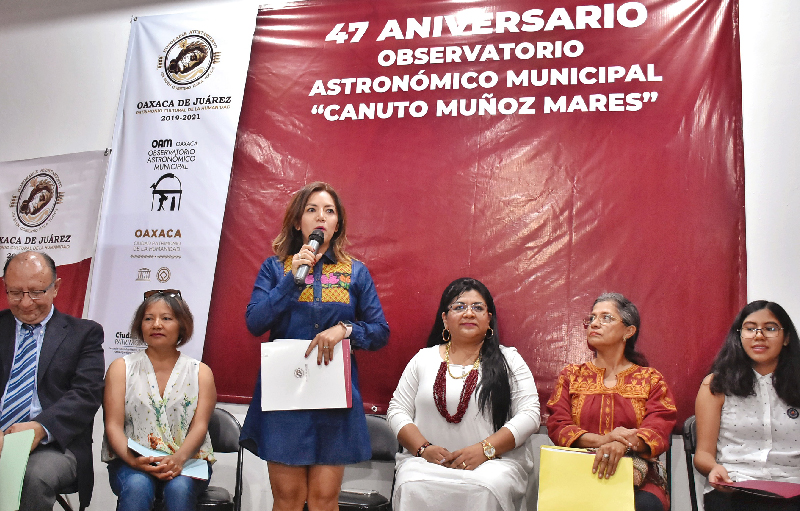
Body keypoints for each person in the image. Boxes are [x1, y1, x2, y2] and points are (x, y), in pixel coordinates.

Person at [240, 181, 390, 511]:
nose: (321, 216)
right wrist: (291, 280)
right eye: (311, 210)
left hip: (333, 397)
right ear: (298, 222)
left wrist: (346, 329)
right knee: (289, 500)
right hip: (284, 396)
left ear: (337, 224)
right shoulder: (275, 267)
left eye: (329, 211)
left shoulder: (355, 272)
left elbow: (380, 332)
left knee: (324, 501)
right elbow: (255, 322)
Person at [387, 277, 540, 511]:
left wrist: (484, 450)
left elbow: (530, 415)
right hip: (427, 464)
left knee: (486, 485)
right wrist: (423, 449)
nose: (469, 313)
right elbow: (397, 410)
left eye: (478, 307)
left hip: (493, 464)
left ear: (489, 319)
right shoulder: (423, 359)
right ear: (445, 320)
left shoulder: (510, 360)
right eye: (459, 307)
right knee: (411, 483)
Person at [546, 292, 677, 511]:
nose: (594, 324)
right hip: (577, 471)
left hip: (636, 475)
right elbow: (558, 425)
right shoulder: (571, 376)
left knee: (645, 506)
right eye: (591, 318)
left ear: (628, 331)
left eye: (606, 318)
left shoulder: (651, 379)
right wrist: (604, 440)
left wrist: (622, 444)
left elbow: (659, 427)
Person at [0, 251, 104, 510]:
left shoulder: (84, 334)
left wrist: (39, 428)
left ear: (55, 287)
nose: (26, 303)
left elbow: (86, 395)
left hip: (53, 444)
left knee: (32, 476)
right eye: (15, 292)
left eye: (36, 292)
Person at [102, 290, 216, 511]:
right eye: (148, 318)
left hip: (188, 462)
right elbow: (113, 426)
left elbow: (200, 425)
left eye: (166, 318)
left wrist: (178, 459)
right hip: (131, 462)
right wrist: (134, 461)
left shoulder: (200, 372)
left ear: (182, 325)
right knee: (137, 486)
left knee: (179, 489)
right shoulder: (121, 368)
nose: (156, 324)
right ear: (139, 325)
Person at [694, 300, 800, 511]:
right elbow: (703, 455)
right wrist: (714, 468)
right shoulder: (716, 385)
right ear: (739, 335)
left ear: (786, 337)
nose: (759, 336)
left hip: (793, 486)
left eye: (770, 328)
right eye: (750, 329)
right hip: (735, 486)